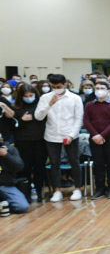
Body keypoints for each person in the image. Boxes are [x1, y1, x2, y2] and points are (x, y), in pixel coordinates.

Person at [35, 74, 84, 202]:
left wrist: (71, 135)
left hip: (70, 134)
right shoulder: (45, 98)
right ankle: (57, 190)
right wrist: (49, 105)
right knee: (54, 163)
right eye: (53, 86)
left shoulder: (75, 98)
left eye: (59, 86)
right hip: (51, 135)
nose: (56, 88)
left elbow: (78, 119)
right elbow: (38, 116)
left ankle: (78, 188)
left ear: (65, 84)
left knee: (74, 161)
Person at [83, 80, 110, 199]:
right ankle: (100, 188)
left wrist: (102, 135)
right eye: (97, 88)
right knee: (98, 164)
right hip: (94, 138)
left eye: (102, 88)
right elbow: (86, 121)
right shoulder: (89, 105)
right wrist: (95, 135)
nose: (99, 90)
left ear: (108, 90)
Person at [12, 83, 46, 201]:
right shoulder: (16, 107)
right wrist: (22, 120)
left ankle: (40, 191)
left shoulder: (40, 105)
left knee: (39, 167)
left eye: (31, 95)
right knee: (25, 168)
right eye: (25, 95)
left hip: (40, 141)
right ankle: (26, 193)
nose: (28, 97)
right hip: (23, 141)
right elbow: (11, 126)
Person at [0, 140, 28, 214]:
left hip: (5, 185)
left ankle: (4, 205)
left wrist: (6, 155)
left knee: (22, 206)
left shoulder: (10, 149)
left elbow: (20, 166)